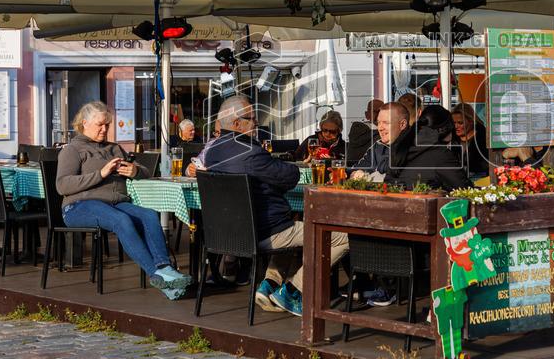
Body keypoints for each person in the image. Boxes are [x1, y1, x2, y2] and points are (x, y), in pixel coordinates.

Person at [196, 95, 348, 316]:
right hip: (264, 232)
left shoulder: (213, 151)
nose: (257, 124)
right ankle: (294, 290)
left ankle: (269, 285)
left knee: (291, 224)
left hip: (228, 234)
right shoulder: (251, 152)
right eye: (252, 119)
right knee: (342, 236)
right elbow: (290, 177)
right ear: (236, 123)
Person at [56, 101, 192, 300]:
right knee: (121, 221)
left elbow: (145, 171)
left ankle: (165, 269)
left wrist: (135, 171)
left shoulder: (114, 148)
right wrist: (101, 173)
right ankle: (157, 276)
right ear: (84, 123)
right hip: (79, 206)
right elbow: (62, 185)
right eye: (100, 125)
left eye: (107, 125)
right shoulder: (73, 149)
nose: (104, 129)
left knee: (148, 214)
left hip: (114, 204)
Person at [387, 105, 472, 192]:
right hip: (426, 204)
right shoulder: (441, 155)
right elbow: (465, 190)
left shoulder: (401, 145)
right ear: (446, 129)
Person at [351, 101, 409, 175]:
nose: (380, 128)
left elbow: (401, 179)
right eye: (378, 122)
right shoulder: (378, 146)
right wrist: (354, 173)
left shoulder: (413, 149)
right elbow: (359, 168)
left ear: (402, 124)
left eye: (386, 122)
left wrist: (369, 178)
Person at [452, 102, 489, 177]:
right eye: (453, 123)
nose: (456, 126)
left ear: (471, 121)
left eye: (460, 123)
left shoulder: (484, 138)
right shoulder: (451, 138)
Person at [345, 99, 382, 165]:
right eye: (375, 111)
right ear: (367, 114)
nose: (379, 114)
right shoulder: (359, 129)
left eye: (381, 111)